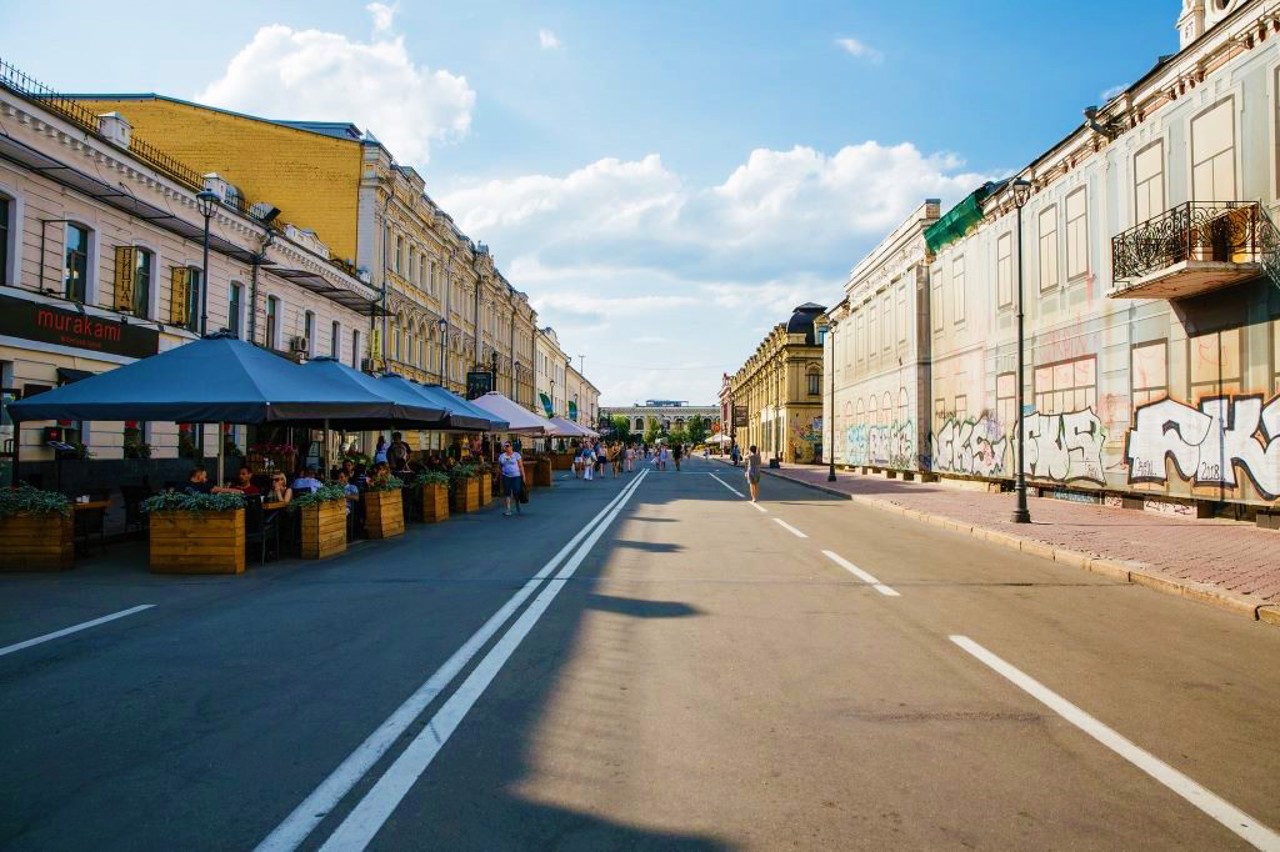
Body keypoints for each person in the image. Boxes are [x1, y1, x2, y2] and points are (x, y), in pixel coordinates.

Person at [498, 441, 525, 516]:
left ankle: (517, 503)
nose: (506, 447)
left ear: (511, 447)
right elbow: (499, 467)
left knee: (516, 491)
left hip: (516, 476)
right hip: (506, 476)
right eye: (505, 446)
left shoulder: (516, 455)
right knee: (507, 492)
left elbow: (521, 466)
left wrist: (523, 476)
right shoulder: (502, 456)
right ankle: (508, 509)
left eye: (508, 446)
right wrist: (498, 476)